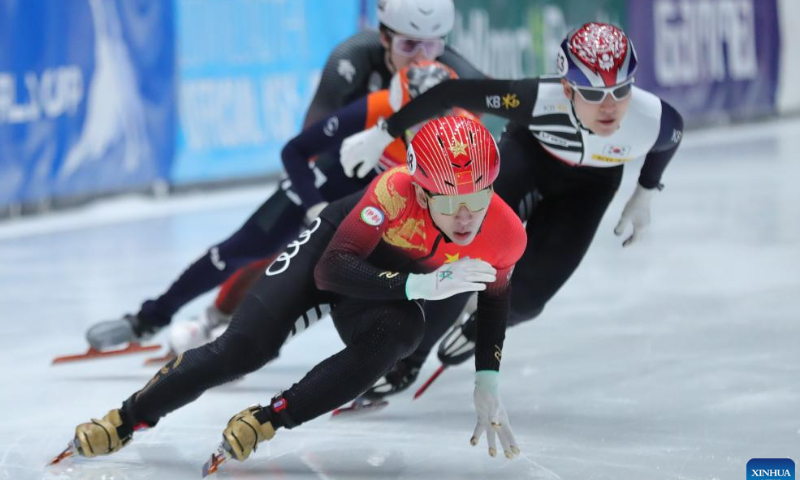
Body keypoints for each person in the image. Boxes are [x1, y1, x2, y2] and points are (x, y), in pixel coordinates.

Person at [64, 117, 527, 467]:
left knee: (402, 332)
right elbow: (331, 270)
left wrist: (487, 380)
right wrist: (419, 284)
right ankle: (125, 419)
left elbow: (495, 298)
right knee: (243, 350)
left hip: (379, 290)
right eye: (451, 202)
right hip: (331, 254)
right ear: (423, 193)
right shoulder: (393, 192)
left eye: (478, 199)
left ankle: (269, 418)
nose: (466, 217)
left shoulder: (505, 234)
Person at [83, 0, 488, 353]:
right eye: (409, 45)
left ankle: (235, 329)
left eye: (433, 45)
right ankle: (149, 318)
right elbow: (308, 139)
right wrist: (316, 206)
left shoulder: (452, 71)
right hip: (338, 167)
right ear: (384, 38)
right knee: (249, 247)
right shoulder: (352, 57)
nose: (421, 59)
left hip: (394, 182)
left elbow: (493, 126)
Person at [340, 22, 685, 397]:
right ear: (566, 88)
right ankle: (407, 359)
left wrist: (646, 191)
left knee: (529, 299)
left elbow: (670, 140)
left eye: (620, 91)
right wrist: (383, 133)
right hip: (529, 159)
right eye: (592, 93)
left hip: (590, 187)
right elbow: (448, 93)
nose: (609, 107)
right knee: (463, 254)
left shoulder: (654, 120)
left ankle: (478, 326)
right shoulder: (533, 98)